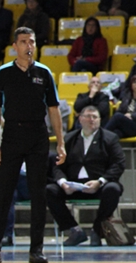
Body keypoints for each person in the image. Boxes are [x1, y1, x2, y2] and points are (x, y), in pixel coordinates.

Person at [0, 27, 66, 263]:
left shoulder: (44, 72)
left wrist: (61, 143)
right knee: (4, 193)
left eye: (32, 41)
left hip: (38, 135)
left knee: (38, 194)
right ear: (14, 46)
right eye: (24, 41)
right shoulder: (4, 72)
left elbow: (54, 109)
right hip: (12, 134)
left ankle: (36, 249)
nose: (28, 46)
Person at [47, 105, 125, 247]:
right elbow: (57, 166)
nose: (91, 120)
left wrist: (100, 181)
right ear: (80, 119)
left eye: (95, 117)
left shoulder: (110, 138)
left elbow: (118, 164)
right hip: (73, 185)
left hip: (98, 184)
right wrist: (63, 183)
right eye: (88, 116)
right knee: (49, 190)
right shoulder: (69, 138)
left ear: (100, 120)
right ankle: (74, 230)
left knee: (113, 189)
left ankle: (97, 230)